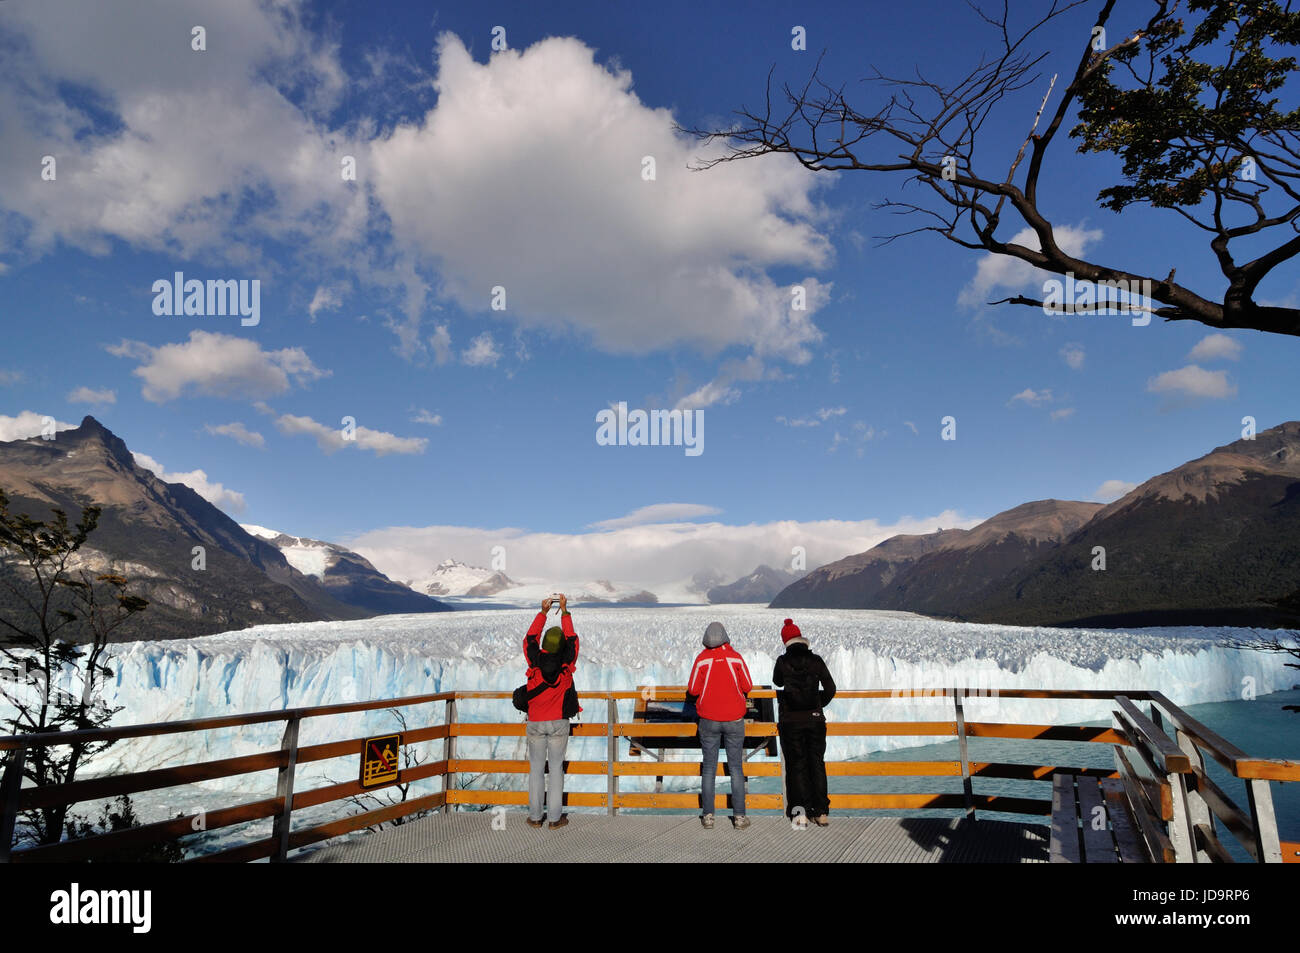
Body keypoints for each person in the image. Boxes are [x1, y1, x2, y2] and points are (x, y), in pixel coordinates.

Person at [686, 621, 753, 830]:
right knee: (735, 768)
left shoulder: (702, 660)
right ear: (725, 637)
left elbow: (693, 689)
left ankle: (708, 816)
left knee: (709, 768)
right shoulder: (736, 658)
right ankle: (739, 818)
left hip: (709, 720)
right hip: (734, 720)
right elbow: (748, 685)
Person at [523, 594, 579, 830]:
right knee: (555, 770)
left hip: (535, 722)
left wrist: (543, 612)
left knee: (536, 769)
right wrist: (565, 612)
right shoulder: (566, 662)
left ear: (545, 643)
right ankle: (555, 820)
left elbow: (529, 639)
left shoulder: (534, 660)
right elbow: (574, 640)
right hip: (558, 723)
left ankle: (536, 817)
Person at [773, 618, 836, 826]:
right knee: (817, 764)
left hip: (791, 722)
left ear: (786, 642)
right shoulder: (816, 660)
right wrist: (817, 705)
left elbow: (777, 681)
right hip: (815, 721)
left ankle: (799, 813)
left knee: (796, 765)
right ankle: (821, 812)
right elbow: (830, 689)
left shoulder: (783, 662)